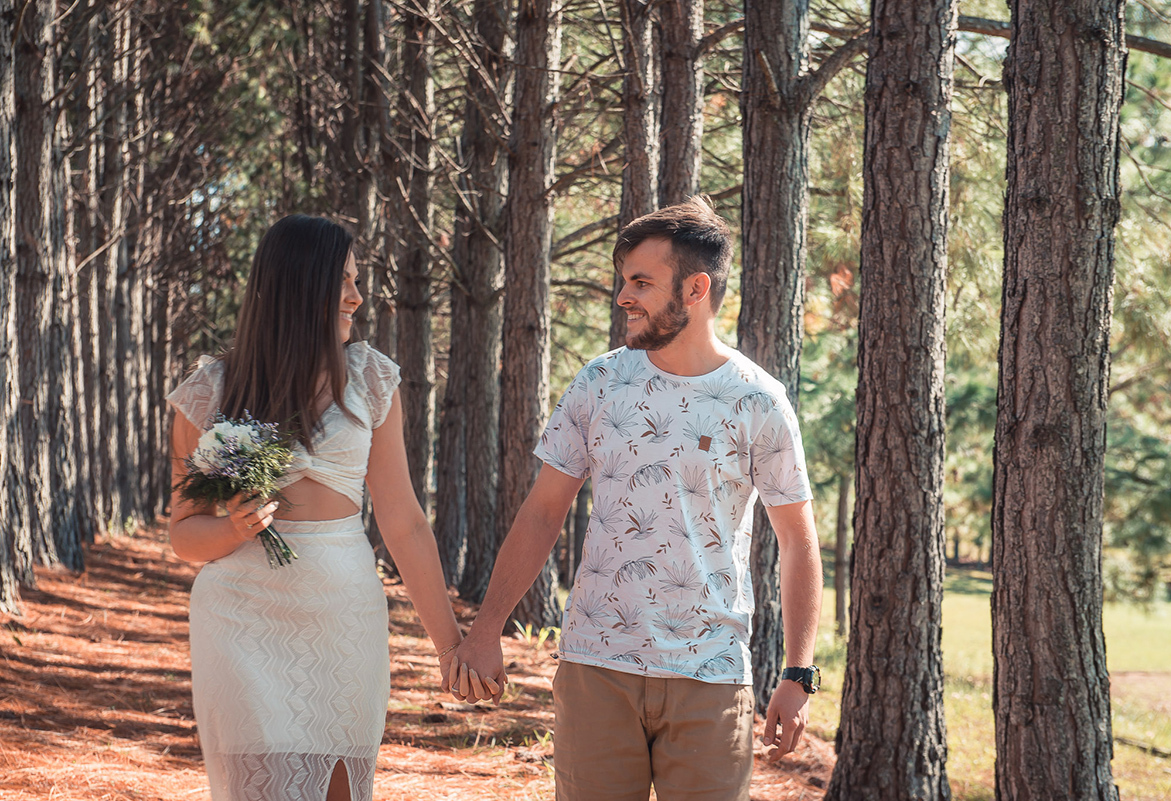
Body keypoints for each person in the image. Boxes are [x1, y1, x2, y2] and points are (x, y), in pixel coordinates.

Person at [450, 197, 824, 800]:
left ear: (695, 288)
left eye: (642, 282)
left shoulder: (758, 400)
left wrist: (798, 674)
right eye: (623, 280)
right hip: (597, 666)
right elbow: (544, 511)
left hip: (710, 672)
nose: (624, 295)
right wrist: (486, 626)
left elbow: (798, 544)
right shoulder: (600, 382)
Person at [166, 215, 476, 801]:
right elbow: (183, 536)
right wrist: (234, 525)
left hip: (343, 614)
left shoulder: (371, 378)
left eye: (359, 280)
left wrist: (448, 644)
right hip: (240, 620)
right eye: (344, 280)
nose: (358, 297)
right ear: (298, 284)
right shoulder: (210, 391)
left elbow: (404, 521)